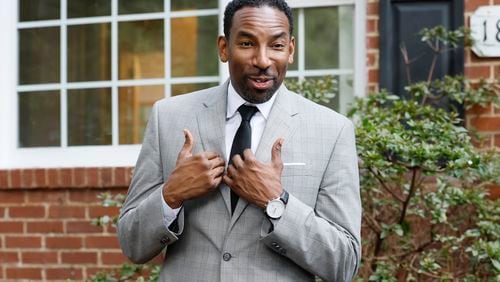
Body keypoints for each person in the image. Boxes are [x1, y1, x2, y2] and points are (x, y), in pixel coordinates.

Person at [117, 0, 361, 281]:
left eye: (277, 46)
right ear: (224, 48)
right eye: (247, 44)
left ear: (291, 50)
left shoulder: (332, 131)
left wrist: (276, 202)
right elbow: (131, 243)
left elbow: (344, 262)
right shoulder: (169, 117)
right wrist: (172, 195)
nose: (263, 60)